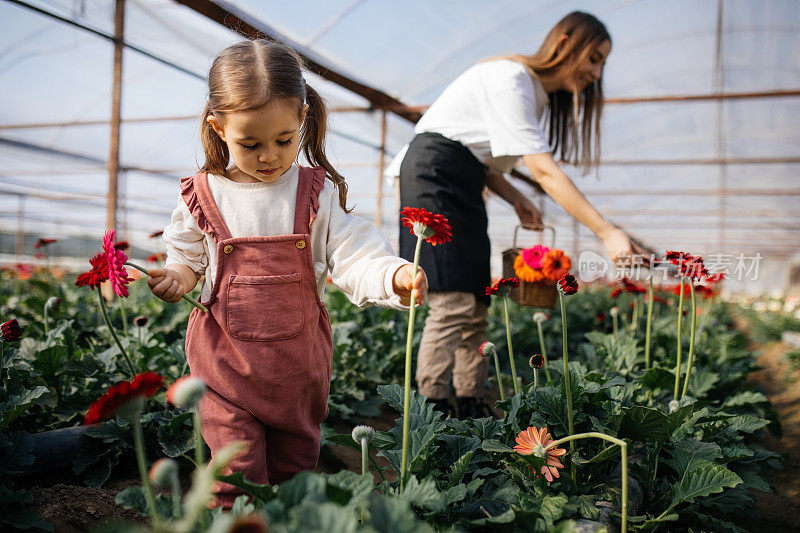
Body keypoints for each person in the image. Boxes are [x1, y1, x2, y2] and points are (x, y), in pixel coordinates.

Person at [147, 40, 427, 508]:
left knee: (296, 466)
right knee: (233, 469)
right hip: (224, 364)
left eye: (283, 140)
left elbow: (353, 252)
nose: (269, 156)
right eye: (250, 144)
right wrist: (178, 276)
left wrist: (392, 276)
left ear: (301, 118)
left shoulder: (314, 193)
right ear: (218, 129)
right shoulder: (204, 193)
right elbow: (187, 254)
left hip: (298, 369)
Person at [388, 11, 643, 419]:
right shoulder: (512, 79)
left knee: (476, 301)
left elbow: (481, 156)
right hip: (434, 176)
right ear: (563, 43)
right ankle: (429, 413)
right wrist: (606, 231)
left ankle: (470, 402)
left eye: (602, 63)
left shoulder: (534, 94)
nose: (597, 72)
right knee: (452, 302)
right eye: (593, 58)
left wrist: (514, 199)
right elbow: (543, 171)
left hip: (465, 179)